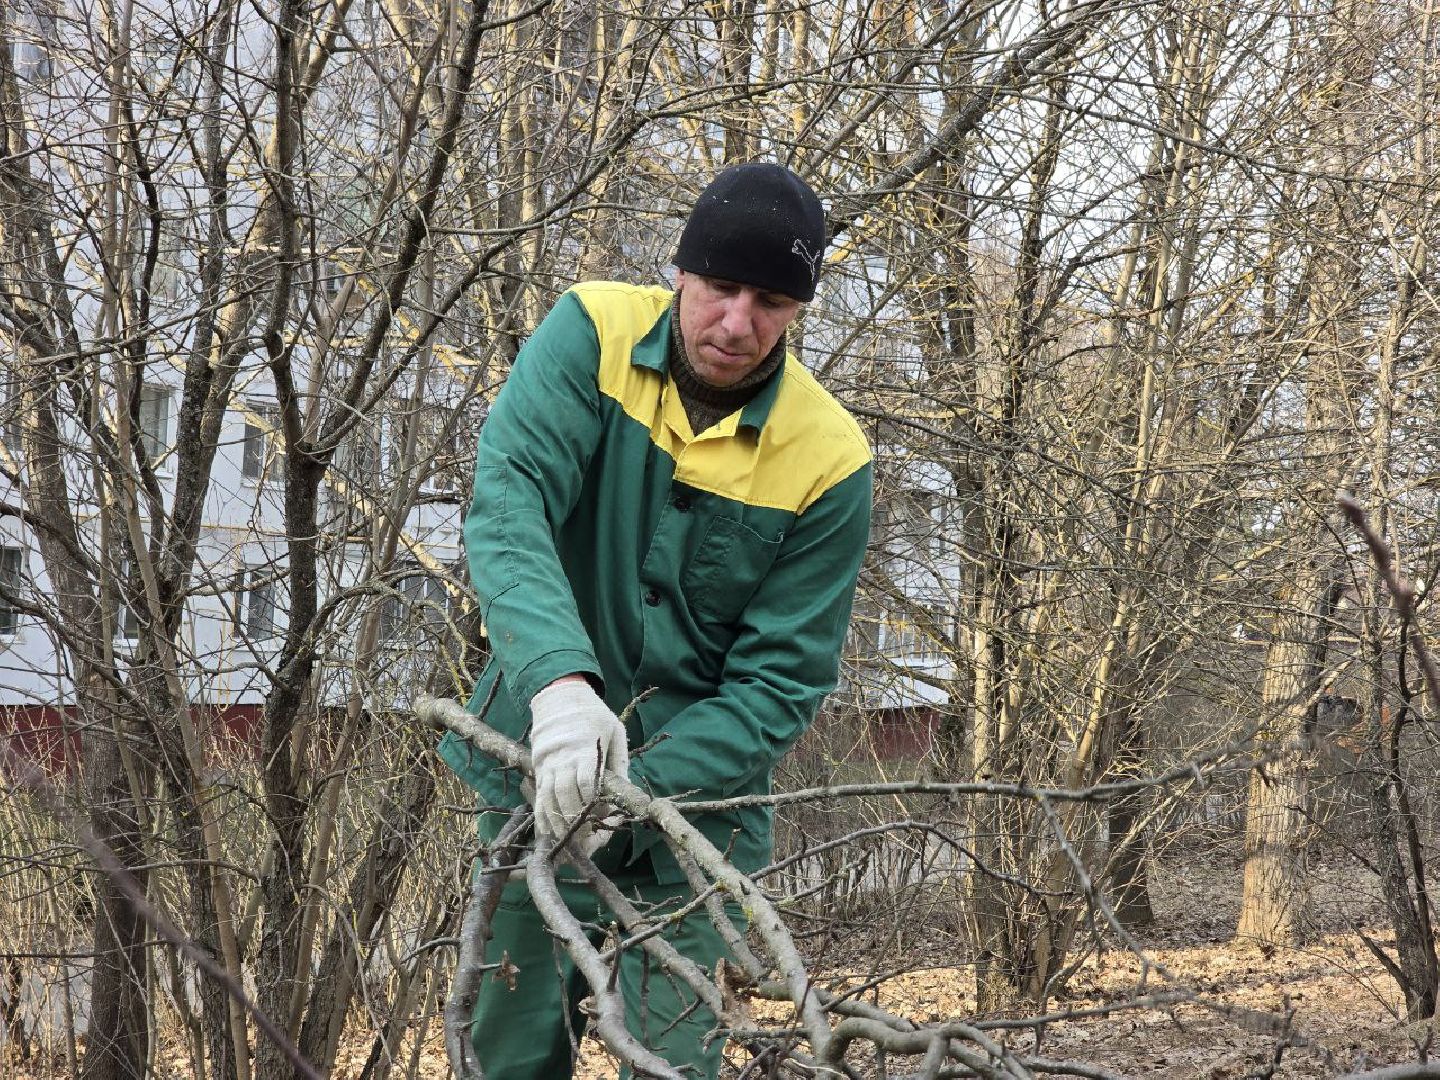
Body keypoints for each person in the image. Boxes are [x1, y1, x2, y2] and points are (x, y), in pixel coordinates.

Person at [437, 162, 872, 1078]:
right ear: (680, 271)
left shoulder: (830, 458)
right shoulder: (590, 333)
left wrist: (636, 785)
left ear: (798, 310)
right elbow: (510, 506)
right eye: (720, 287)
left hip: (699, 830)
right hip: (533, 775)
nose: (738, 323)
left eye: (771, 302)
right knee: (508, 1059)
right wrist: (559, 690)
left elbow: (779, 683)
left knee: (678, 1065)